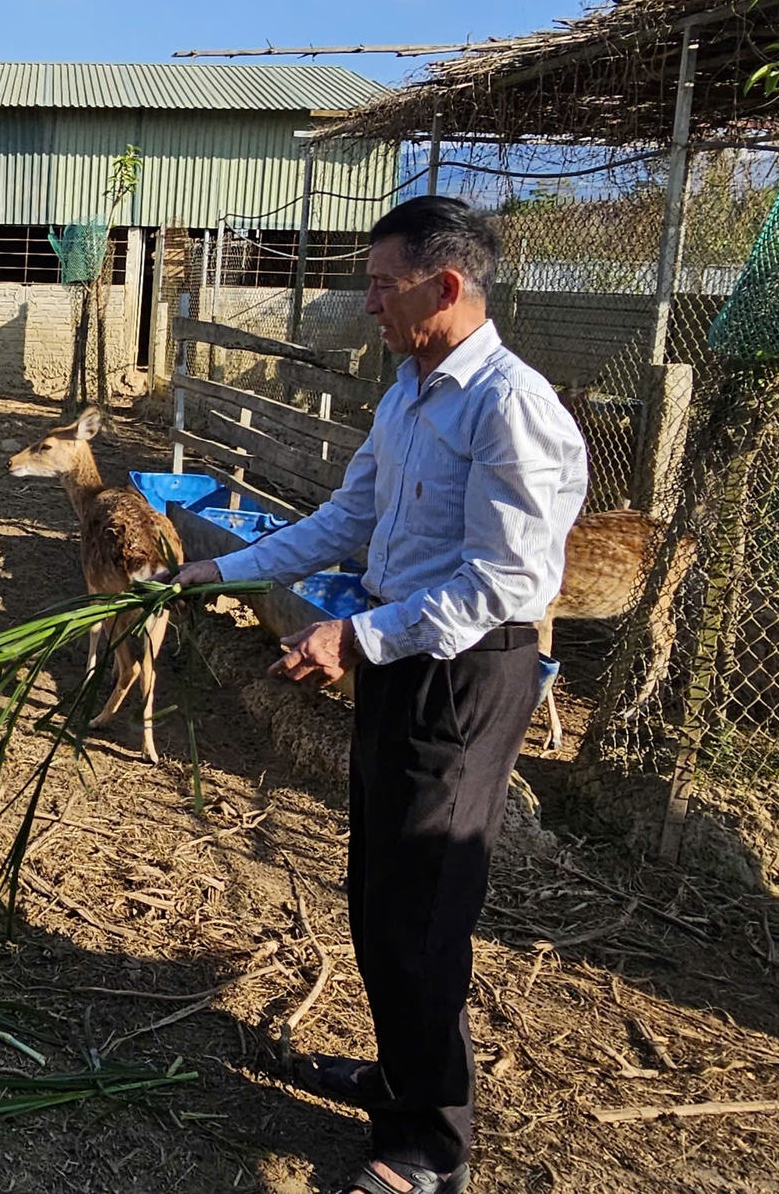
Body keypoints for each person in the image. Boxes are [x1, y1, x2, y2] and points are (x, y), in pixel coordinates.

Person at [170, 197, 586, 1194]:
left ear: (444, 286)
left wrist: (354, 634)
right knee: (376, 890)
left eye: (378, 284)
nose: (365, 304)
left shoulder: (507, 407)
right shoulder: (410, 391)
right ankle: (400, 1076)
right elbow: (345, 517)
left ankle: (425, 1148)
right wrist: (222, 572)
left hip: (467, 670)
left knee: (422, 906)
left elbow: (504, 583)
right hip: (402, 657)